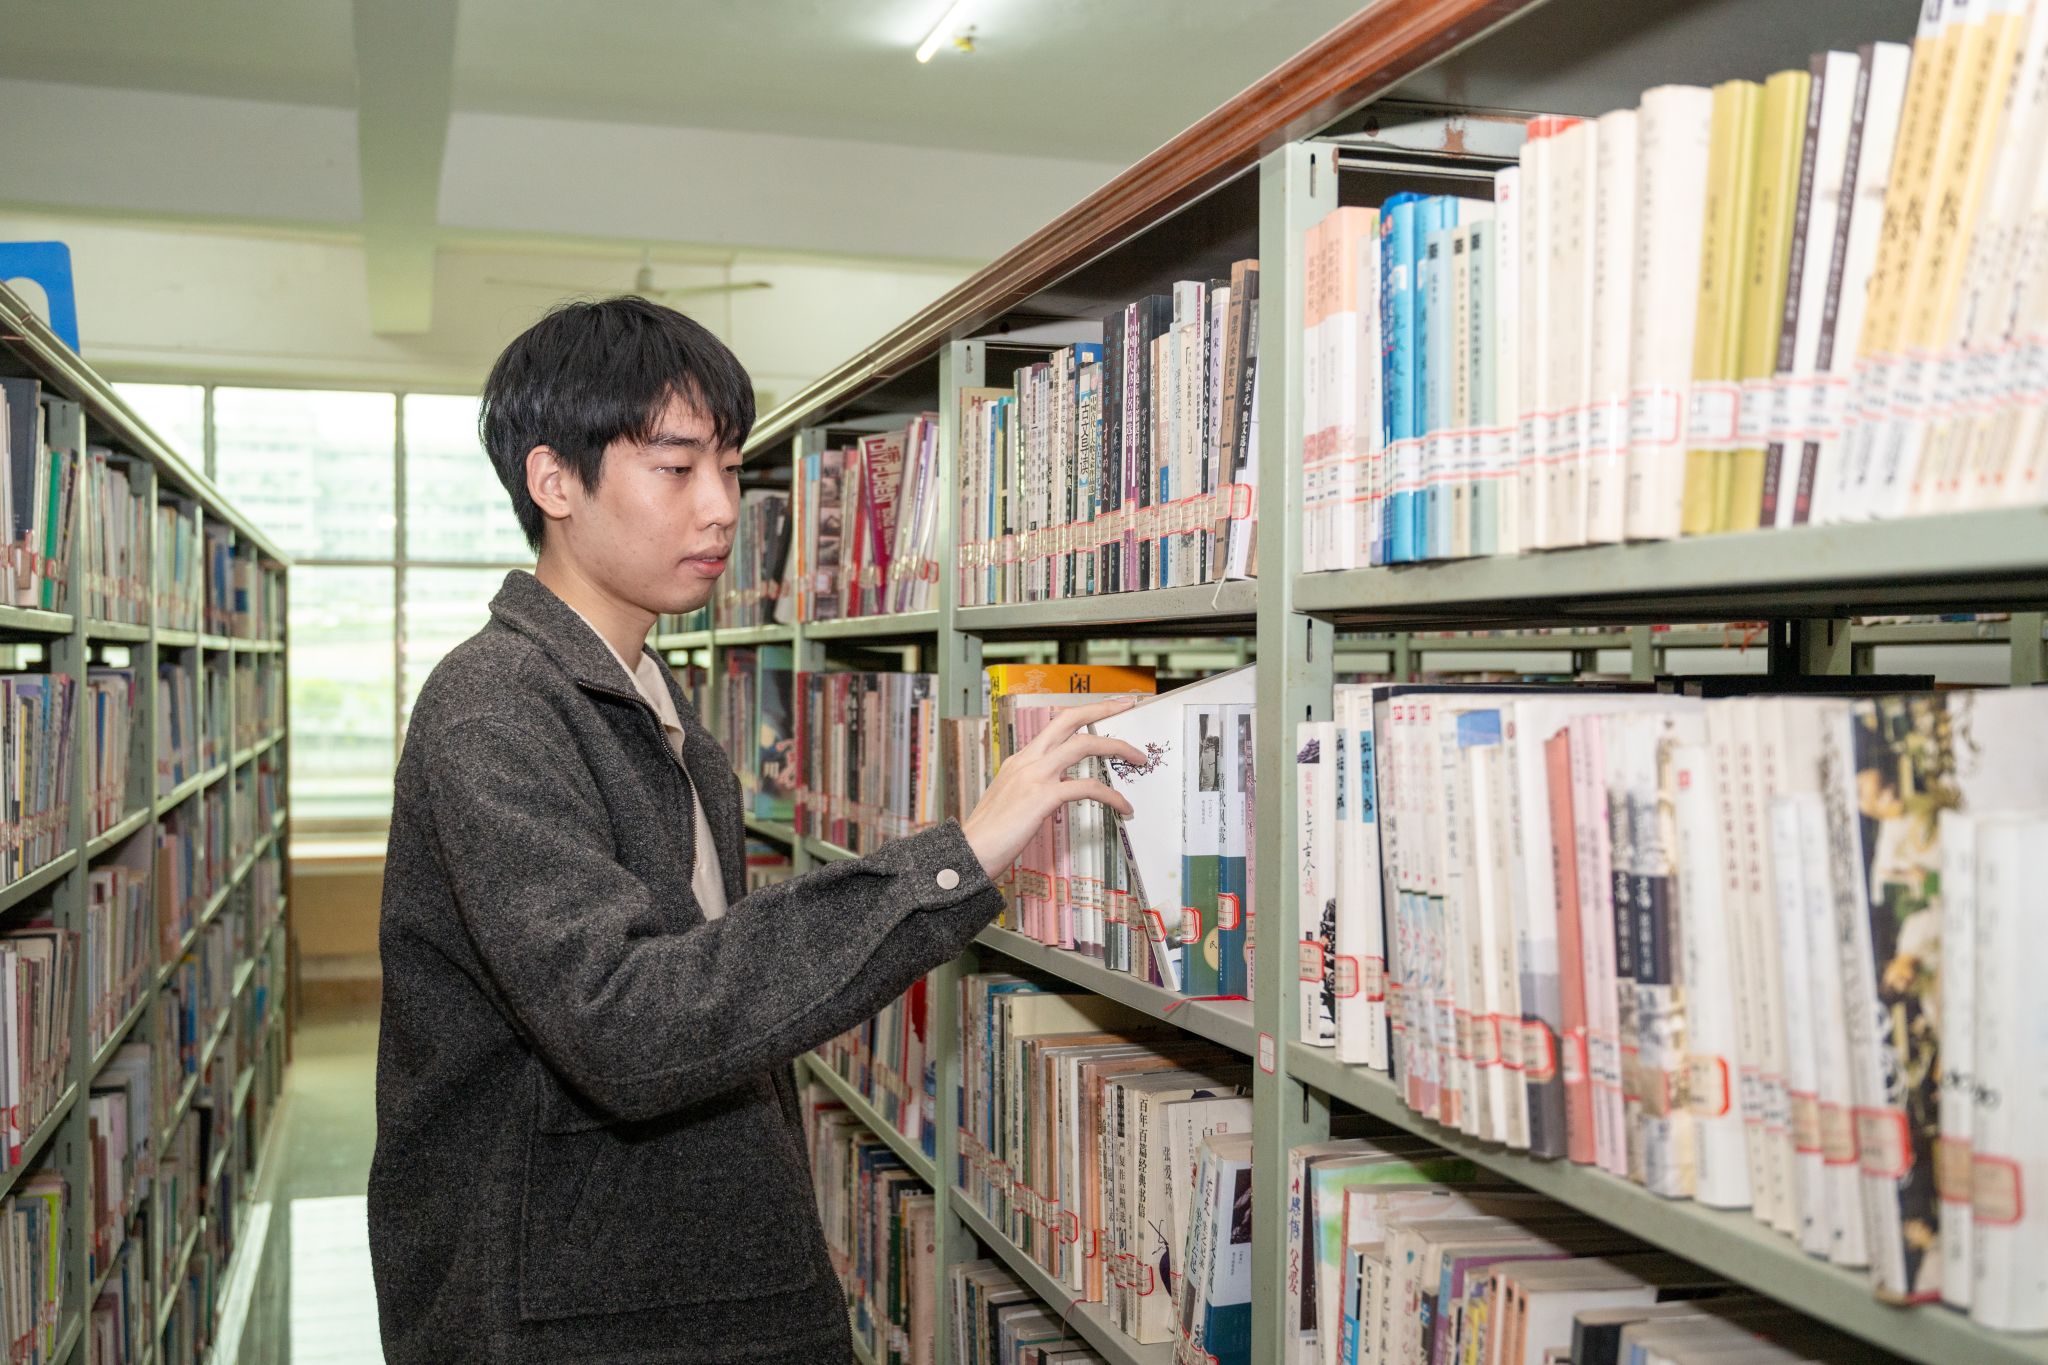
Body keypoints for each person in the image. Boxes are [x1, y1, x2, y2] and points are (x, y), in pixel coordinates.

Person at [368, 296, 1140, 1363]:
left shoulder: (652, 695)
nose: (721, 508)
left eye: (730, 469)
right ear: (554, 482)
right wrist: (949, 863)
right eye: (675, 469)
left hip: (671, 1270)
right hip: (574, 1309)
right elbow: (625, 1020)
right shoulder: (495, 707)